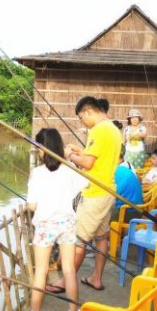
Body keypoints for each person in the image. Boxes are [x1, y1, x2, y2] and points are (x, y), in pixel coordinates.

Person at [46, 96, 122, 293]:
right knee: (101, 238)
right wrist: (79, 151)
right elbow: (96, 158)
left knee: (79, 240)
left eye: (81, 117)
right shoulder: (113, 128)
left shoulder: (98, 130)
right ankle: (96, 278)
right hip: (107, 190)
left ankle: (64, 282)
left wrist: (68, 154)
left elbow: (87, 164)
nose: (82, 122)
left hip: (95, 194)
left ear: (88, 112)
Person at [16, 128, 88, 311]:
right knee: (69, 270)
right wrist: (69, 159)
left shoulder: (37, 174)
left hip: (45, 226)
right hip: (66, 224)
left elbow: (31, 206)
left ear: (41, 149)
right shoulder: (70, 169)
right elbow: (84, 182)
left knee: (40, 271)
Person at [112, 144, 144, 222]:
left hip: (128, 212)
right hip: (138, 209)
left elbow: (112, 194)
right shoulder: (126, 166)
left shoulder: (115, 170)